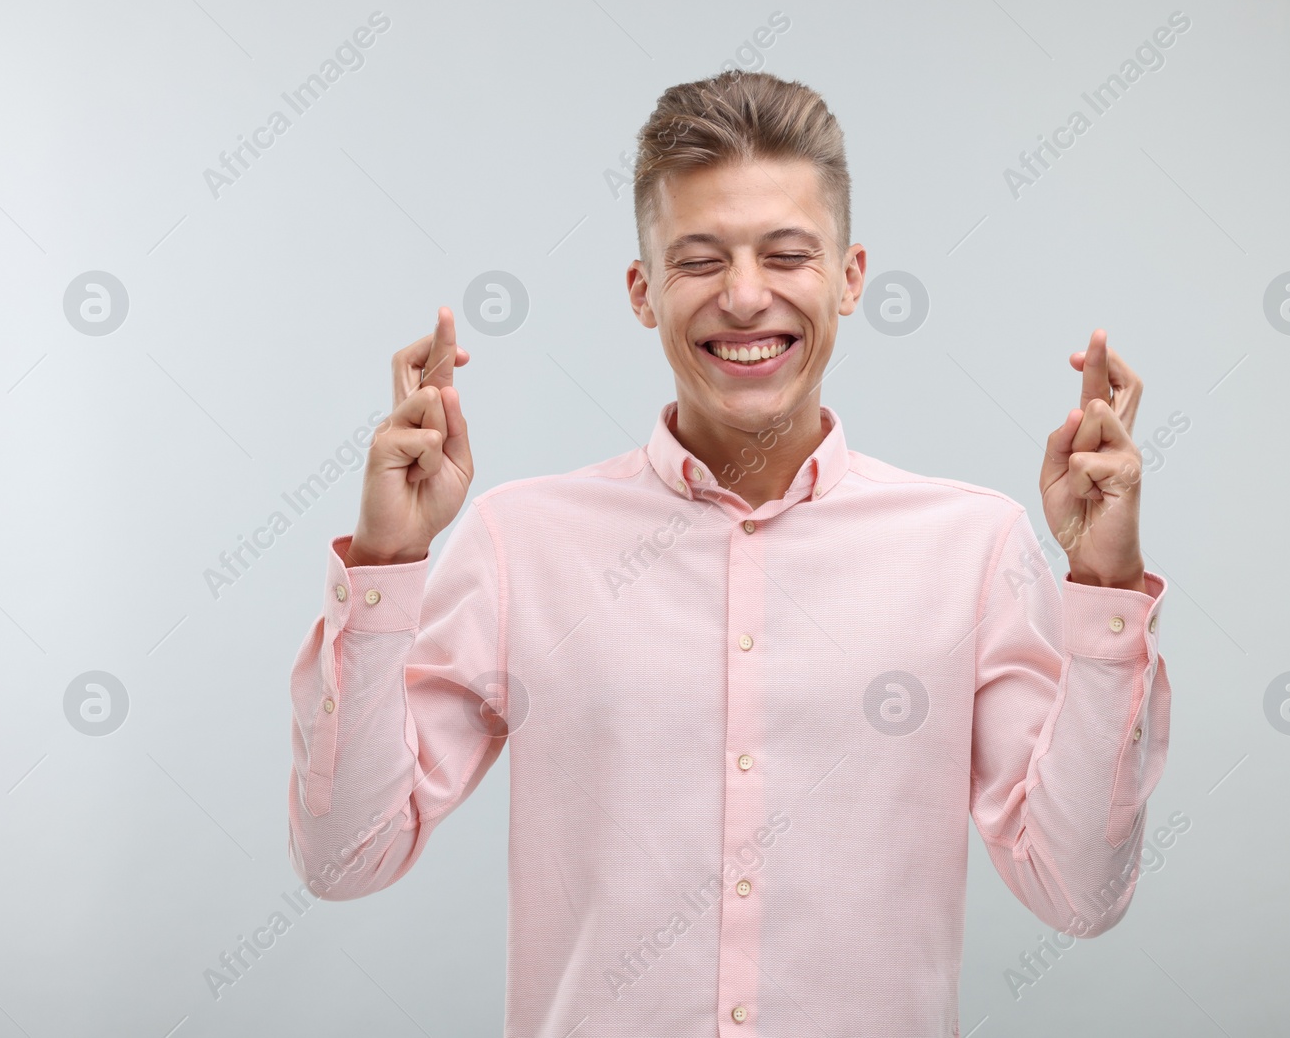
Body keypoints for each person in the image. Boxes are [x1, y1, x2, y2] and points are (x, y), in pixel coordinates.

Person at [286, 69, 1171, 1036]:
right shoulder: (519, 543)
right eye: (699, 259)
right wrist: (385, 562)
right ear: (643, 290)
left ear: (849, 276)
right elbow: (343, 859)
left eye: (787, 254)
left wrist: (1104, 590)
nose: (745, 298)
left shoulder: (973, 549)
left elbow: (1080, 893)